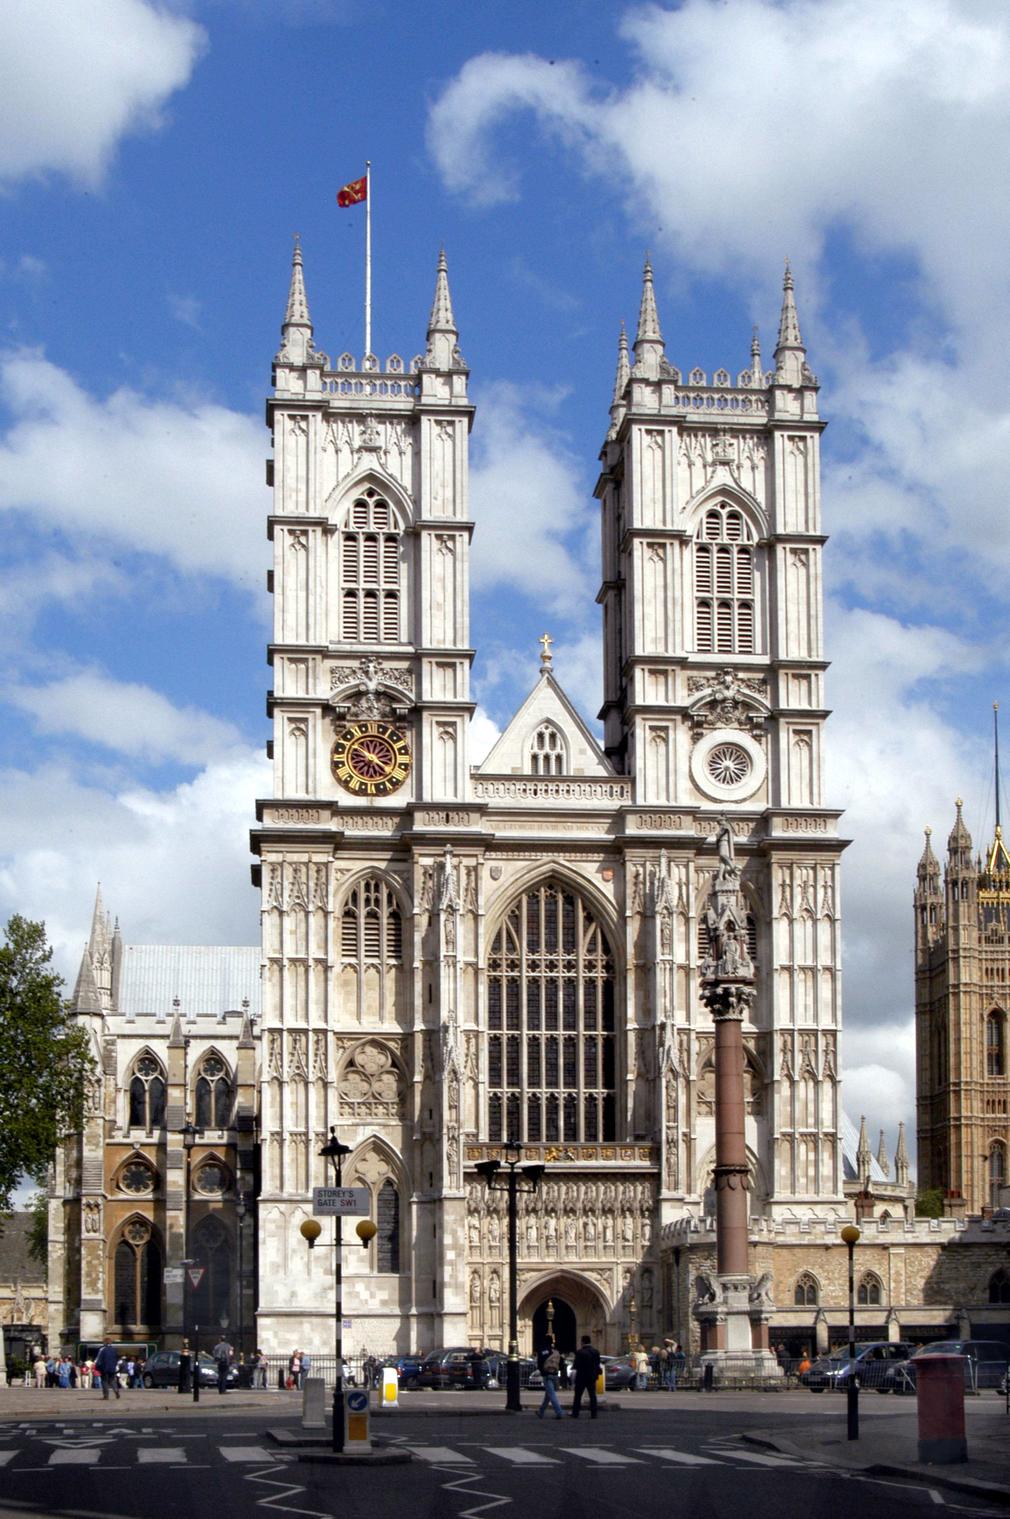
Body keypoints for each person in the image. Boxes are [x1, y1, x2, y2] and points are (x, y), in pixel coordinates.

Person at [570, 1335, 601, 1420]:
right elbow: (598, 1364)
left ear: (582, 1342)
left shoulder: (580, 1352)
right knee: (592, 1396)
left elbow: (576, 1365)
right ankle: (594, 1414)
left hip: (581, 1377)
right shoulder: (596, 1352)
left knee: (578, 1396)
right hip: (592, 1376)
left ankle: (575, 1413)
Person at [535, 1336, 565, 1419]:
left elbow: (540, 1363)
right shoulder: (556, 1352)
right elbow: (562, 1364)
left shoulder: (542, 1351)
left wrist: (543, 1372)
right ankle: (541, 1412)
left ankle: (559, 1412)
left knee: (551, 1395)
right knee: (548, 1395)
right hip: (555, 1374)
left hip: (547, 1375)